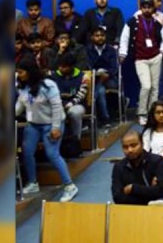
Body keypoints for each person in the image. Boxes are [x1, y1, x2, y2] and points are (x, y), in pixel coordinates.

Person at [15, 58, 79, 201]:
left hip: (51, 123)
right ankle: (33, 182)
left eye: (21, 72)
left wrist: (56, 128)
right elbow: (20, 105)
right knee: (27, 151)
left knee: (52, 154)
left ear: (30, 71)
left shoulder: (48, 85)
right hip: (33, 124)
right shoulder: (23, 86)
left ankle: (70, 186)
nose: (19, 75)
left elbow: (57, 107)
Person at [119, 0, 163, 125]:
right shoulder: (132, 22)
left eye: (149, 7)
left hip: (155, 57)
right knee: (146, 86)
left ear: (153, 9)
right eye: (144, 7)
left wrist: (162, 52)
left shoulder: (157, 23)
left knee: (155, 87)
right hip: (140, 58)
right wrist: (123, 53)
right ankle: (142, 113)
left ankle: (153, 113)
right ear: (141, 8)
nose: (146, 9)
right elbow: (124, 37)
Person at [111, 130, 163, 205]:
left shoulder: (157, 161)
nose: (130, 150)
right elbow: (117, 198)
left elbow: (162, 192)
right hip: (132, 211)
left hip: (157, 210)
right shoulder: (119, 167)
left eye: (134, 145)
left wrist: (133, 188)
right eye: (125, 147)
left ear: (142, 144)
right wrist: (150, 192)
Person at [84, 25, 118, 125]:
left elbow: (114, 68)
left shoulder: (111, 50)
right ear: (92, 37)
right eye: (97, 35)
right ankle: (105, 118)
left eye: (102, 35)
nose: (100, 38)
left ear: (105, 36)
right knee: (101, 90)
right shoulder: (88, 50)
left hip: (110, 79)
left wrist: (107, 74)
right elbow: (89, 66)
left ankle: (90, 117)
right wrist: (97, 74)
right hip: (95, 78)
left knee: (98, 88)